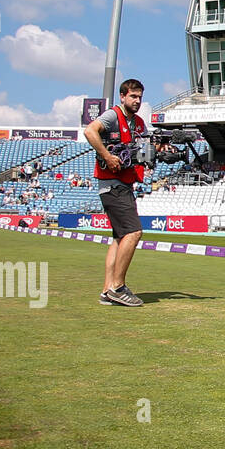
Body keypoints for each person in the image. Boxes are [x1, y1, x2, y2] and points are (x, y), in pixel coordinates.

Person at [85, 79, 149, 307]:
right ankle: (118, 287)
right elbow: (90, 131)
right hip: (113, 184)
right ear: (122, 96)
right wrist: (106, 156)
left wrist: (162, 150)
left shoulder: (139, 123)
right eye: (133, 96)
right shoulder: (112, 116)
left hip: (123, 184)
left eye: (140, 97)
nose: (137, 101)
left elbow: (146, 150)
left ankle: (106, 290)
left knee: (119, 238)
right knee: (133, 233)